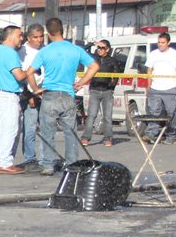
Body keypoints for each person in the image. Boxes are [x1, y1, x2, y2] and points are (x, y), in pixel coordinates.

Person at [29, 17, 100, 176]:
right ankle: (72, 164)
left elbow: (29, 72)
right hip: (68, 95)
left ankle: (48, 165)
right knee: (70, 133)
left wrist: (35, 89)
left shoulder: (45, 51)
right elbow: (94, 66)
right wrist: (81, 82)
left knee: (48, 132)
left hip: (49, 95)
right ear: (62, 30)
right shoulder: (75, 50)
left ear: (48, 33)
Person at [0, 25, 26, 174]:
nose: (21, 38)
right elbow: (19, 75)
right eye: (19, 35)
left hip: (1, 94)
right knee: (10, 130)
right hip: (8, 95)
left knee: (9, 129)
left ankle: (7, 161)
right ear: (11, 36)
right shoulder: (10, 53)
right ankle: (4, 163)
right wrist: (31, 71)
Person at [81, 39, 120, 147]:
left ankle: (108, 138)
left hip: (107, 91)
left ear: (107, 49)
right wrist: (92, 44)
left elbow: (116, 74)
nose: (99, 50)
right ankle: (85, 138)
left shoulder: (112, 61)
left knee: (107, 117)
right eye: (98, 48)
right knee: (91, 115)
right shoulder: (94, 58)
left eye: (102, 48)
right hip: (94, 90)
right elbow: (83, 50)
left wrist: (112, 87)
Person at [145, 32, 176, 143]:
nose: (160, 44)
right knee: (154, 112)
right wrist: (149, 86)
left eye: (163, 42)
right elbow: (149, 70)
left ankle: (172, 136)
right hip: (155, 88)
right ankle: (151, 134)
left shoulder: (175, 55)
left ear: (168, 43)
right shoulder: (153, 54)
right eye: (159, 42)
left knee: (171, 113)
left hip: (170, 88)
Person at [19, 24, 45, 166]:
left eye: (41, 37)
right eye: (36, 37)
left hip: (45, 92)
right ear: (29, 38)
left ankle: (44, 158)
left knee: (46, 128)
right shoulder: (23, 52)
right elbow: (22, 75)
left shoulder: (45, 49)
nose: (39, 40)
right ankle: (29, 158)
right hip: (30, 94)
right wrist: (29, 95)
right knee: (30, 128)